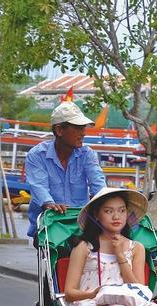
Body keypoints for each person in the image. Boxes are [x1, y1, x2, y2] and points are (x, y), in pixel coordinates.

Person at [25, 101, 106, 245]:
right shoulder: (37, 155)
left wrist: (104, 201)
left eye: (84, 128)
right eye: (78, 128)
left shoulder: (87, 154)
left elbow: (98, 184)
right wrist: (49, 204)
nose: (84, 132)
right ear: (59, 130)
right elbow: (39, 187)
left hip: (80, 224)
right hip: (50, 224)